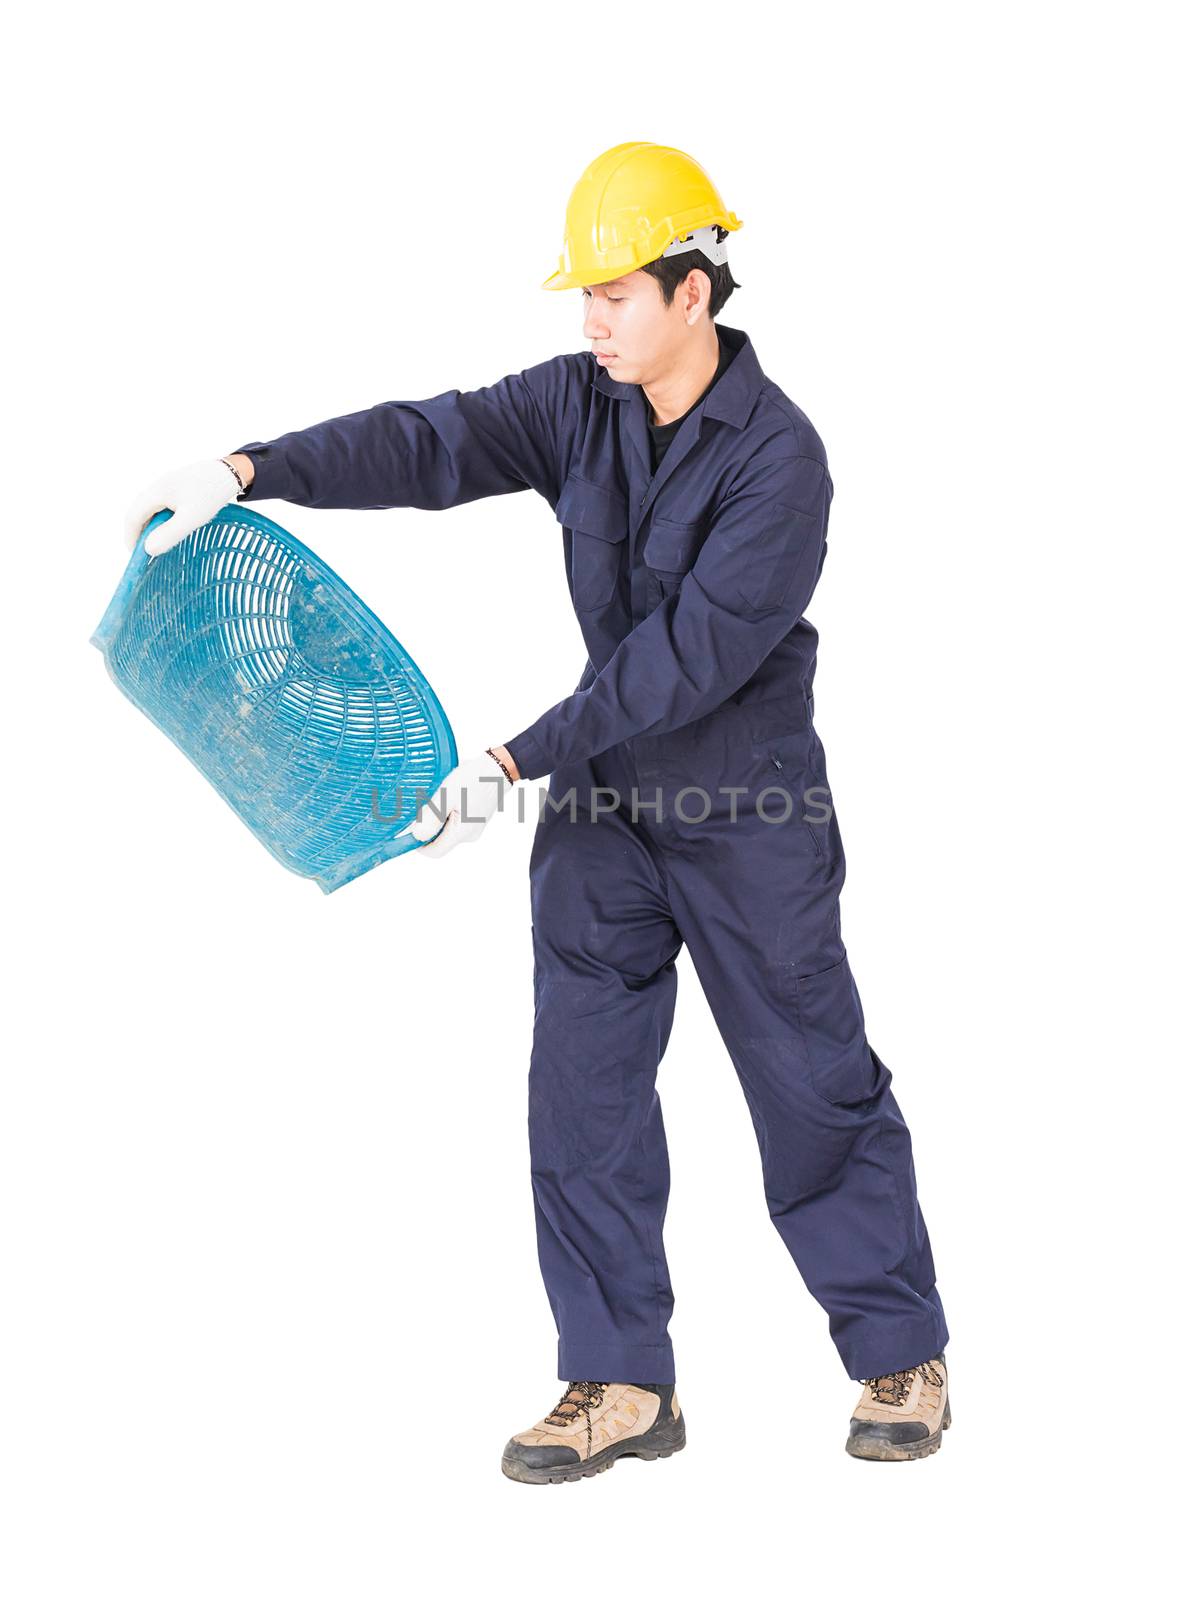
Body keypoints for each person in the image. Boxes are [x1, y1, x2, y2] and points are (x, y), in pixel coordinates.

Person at [124, 140, 950, 1481]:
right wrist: (248, 469)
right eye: (585, 295)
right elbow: (430, 438)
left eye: (616, 292)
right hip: (605, 809)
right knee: (583, 1099)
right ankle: (618, 1383)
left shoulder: (781, 461)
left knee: (810, 1087)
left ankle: (899, 1353)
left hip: (748, 811)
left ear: (697, 292)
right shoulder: (581, 405)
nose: (591, 319)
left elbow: (683, 661)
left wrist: (510, 762)